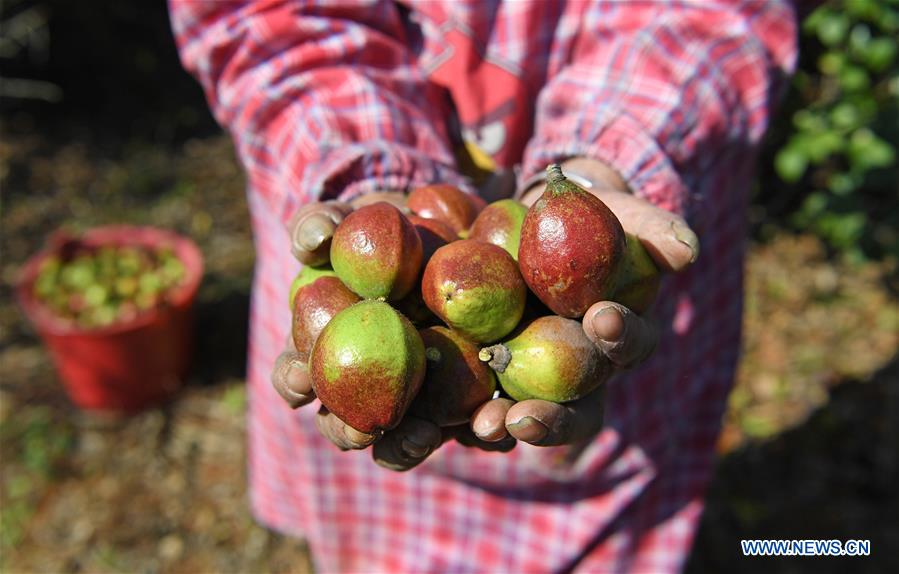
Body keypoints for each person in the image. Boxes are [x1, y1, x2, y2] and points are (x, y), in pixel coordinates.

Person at [170, 1, 797, 571]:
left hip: (621, 296)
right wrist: (364, 173)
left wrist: (604, 161)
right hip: (347, 199)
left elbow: (711, 15)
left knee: (614, 494)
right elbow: (266, 19)